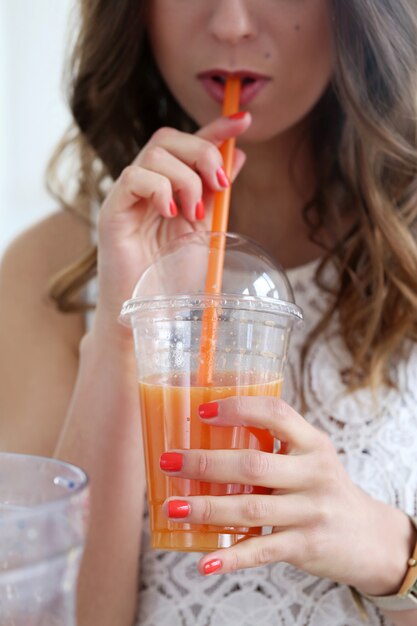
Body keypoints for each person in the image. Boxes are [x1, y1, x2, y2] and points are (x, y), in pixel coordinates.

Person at [0, 1, 416, 625]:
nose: (230, 24)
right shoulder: (50, 267)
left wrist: (393, 554)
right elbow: (47, 616)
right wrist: (125, 322)